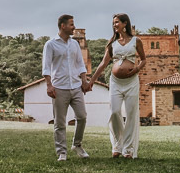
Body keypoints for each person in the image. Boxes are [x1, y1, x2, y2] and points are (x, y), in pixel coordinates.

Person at [89, 13, 146, 159]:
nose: (114, 25)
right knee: (114, 112)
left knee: (131, 114)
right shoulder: (112, 43)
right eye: (113, 23)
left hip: (131, 81)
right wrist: (91, 81)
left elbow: (144, 60)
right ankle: (117, 145)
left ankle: (128, 149)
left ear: (125, 23)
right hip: (115, 82)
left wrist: (136, 69)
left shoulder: (136, 41)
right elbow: (103, 63)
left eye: (117, 22)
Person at [42, 14, 90, 161]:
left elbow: (80, 64)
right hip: (59, 88)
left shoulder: (74, 44)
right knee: (60, 122)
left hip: (76, 86)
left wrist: (84, 80)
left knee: (82, 116)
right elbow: (46, 67)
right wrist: (49, 85)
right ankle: (61, 152)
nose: (74, 27)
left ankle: (77, 144)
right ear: (63, 26)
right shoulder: (50, 44)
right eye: (71, 24)